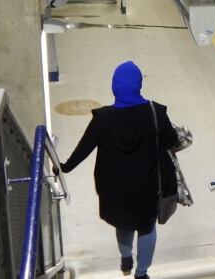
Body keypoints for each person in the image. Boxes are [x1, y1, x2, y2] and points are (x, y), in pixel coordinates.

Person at [58, 61, 178, 279]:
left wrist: (64, 167)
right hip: (148, 186)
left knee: (123, 222)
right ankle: (141, 273)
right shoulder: (155, 112)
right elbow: (171, 140)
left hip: (115, 189)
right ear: (138, 84)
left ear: (114, 87)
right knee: (146, 227)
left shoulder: (103, 118)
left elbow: (83, 148)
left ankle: (125, 256)